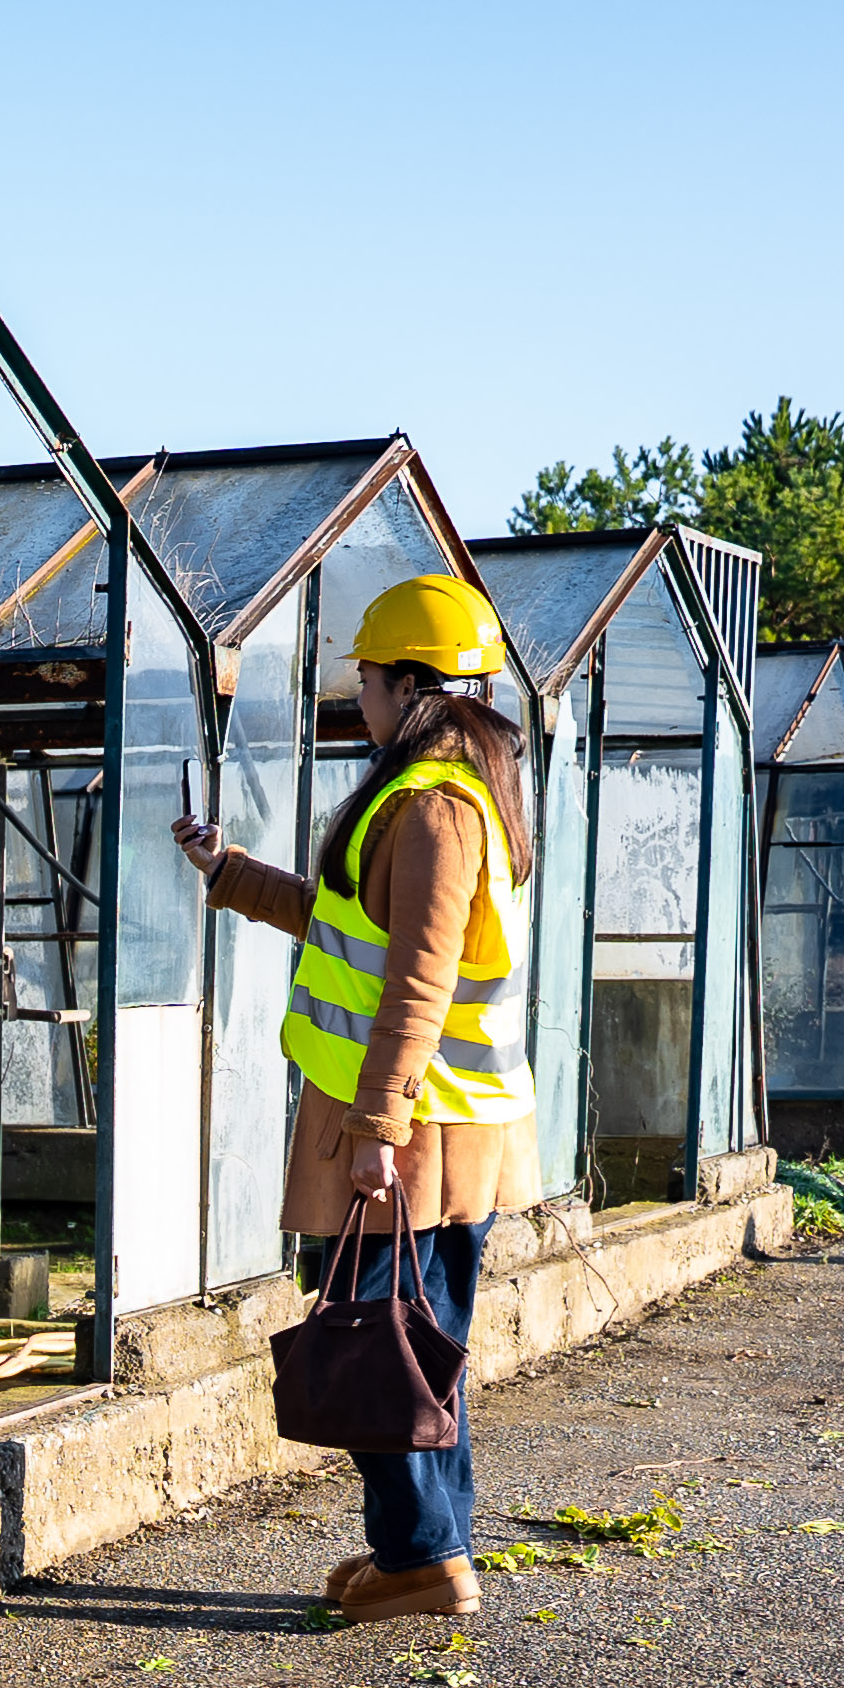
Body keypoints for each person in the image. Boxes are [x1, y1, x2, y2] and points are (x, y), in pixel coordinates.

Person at [172, 574, 536, 1621]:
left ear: (413, 684)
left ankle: (420, 1557)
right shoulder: (450, 793)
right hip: (436, 1120)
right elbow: (356, 932)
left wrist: (377, 1128)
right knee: (420, 1347)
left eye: (369, 680)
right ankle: (432, 1548)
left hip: (411, 1128)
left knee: (385, 1344)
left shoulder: (431, 808)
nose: (360, 698)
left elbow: (417, 983)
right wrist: (230, 871)